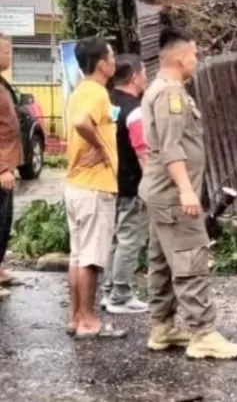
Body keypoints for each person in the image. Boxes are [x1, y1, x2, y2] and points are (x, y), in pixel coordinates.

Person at [139, 27, 237, 360]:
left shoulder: (160, 89)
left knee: (161, 261)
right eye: (195, 55)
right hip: (172, 194)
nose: (196, 61)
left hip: (159, 192)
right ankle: (202, 333)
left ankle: (163, 326)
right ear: (182, 58)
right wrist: (186, 191)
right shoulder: (171, 95)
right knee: (190, 258)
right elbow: (171, 147)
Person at [64, 36, 125, 339]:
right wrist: (101, 147)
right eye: (111, 56)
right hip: (94, 187)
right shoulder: (97, 92)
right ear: (101, 63)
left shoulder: (79, 90)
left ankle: (76, 317)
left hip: (76, 186)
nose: (114, 61)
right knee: (91, 257)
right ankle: (89, 320)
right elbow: (81, 122)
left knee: (77, 255)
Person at [101, 54, 150, 314]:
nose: (146, 77)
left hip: (111, 180)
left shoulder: (109, 104)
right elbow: (143, 151)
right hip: (132, 182)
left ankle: (108, 291)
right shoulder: (135, 110)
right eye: (143, 72)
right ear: (133, 77)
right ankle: (121, 294)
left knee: (114, 238)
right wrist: (151, 184)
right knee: (130, 238)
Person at [0, 33, 22, 300]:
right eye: (6, 50)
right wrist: (2, 168)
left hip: (8, 163)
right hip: (1, 165)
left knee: (5, 220)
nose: (10, 55)